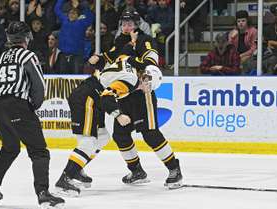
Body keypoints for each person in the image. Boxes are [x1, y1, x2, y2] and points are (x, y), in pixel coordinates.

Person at [89, 11, 183, 189]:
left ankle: (174, 169)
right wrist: (99, 59)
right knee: (120, 135)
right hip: (123, 92)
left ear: (137, 24)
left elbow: (151, 62)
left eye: (130, 23)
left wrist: (132, 59)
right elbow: (112, 58)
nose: (126, 26)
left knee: (150, 134)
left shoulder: (144, 39)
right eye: (124, 23)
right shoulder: (120, 41)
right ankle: (137, 171)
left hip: (141, 92)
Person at [0, 21, 65, 209]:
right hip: (18, 105)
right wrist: (31, 106)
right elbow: (38, 85)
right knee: (39, 151)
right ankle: (43, 195)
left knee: (9, 148)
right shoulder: (28, 55)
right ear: (27, 38)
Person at [55, 57, 163, 195]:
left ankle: (76, 170)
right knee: (88, 142)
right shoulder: (132, 80)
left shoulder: (129, 67)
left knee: (102, 137)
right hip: (88, 98)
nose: (147, 90)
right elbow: (107, 95)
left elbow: (108, 67)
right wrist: (119, 115)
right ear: (146, 79)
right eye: (149, 86)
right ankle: (65, 179)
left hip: (92, 97)